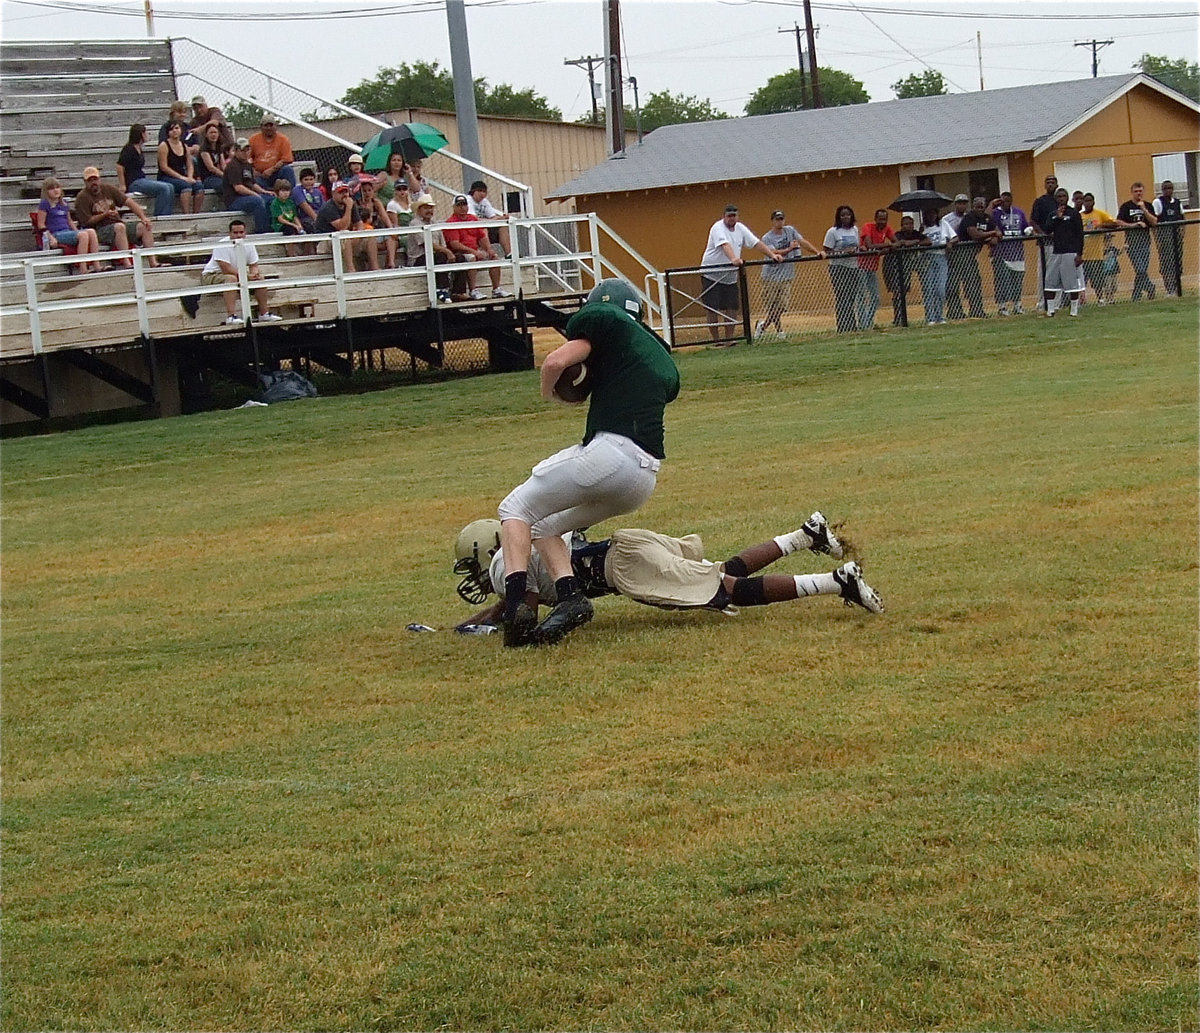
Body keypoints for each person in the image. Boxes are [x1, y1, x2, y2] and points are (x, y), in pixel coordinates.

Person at [497, 278, 680, 648]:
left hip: (611, 453)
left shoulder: (605, 323)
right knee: (545, 524)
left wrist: (550, 394)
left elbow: (555, 360)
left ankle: (516, 605)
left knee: (515, 508)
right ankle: (570, 597)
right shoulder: (655, 352)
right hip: (643, 477)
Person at [450, 511, 882, 638]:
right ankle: (806, 534)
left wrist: (488, 628)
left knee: (724, 591)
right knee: (719, 574)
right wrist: (468, 625)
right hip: (627, 549)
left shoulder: (504, 560)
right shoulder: (524, 543)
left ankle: (836, 582)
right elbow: (508, 603)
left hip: (624, 566)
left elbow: (520, 608)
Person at [700, 204, 781, 345]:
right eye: (729, 216)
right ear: (724, 217)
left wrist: (772, 255)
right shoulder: (717, 228)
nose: (732, 219)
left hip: (730, 277)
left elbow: (756, 243)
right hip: (711, 274)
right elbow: (725, 245)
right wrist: (733, 259)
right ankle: (716, 341)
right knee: (712, 308)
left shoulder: (740, 228)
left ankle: (729, 339)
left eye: (734, 216)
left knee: (731, 307)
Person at [201, 218, 281, 325]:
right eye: (235, 233)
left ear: (245, 233)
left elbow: (254, 265)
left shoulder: (249, 244)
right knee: (231, 279)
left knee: (260, 279)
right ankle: (231, 316)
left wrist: (254, 274)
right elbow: (226, 269)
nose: (239, 235)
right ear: (230, 233)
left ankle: (264, 313)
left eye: (241, 232)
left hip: (237, 275)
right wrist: (246, 276)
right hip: (212, 275)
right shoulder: (221, 245)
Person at [755, 209, 821, 338]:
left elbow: (803, 242)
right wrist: (790, 249)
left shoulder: (790, 230)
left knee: (781, 306)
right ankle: (779, 331)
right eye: (777, 219)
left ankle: (763, 326)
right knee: (773, 306)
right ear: (772, 221)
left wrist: (816, 252)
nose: (779, 222)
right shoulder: (767, 237)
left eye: (781, 219)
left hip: (786, 276)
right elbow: (773, 252)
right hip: (771, 277)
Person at [74, 167, 157, 267]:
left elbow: (129, 202)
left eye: (95, 179)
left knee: (144, 226)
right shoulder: (82, 197)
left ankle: (153, 262)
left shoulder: (108, 189)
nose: (93, 183)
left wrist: (143, 217)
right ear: (85, 182)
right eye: (90, 180)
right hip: (99, 230)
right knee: (119, 227)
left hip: (117, 225)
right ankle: (127, 263)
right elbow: (87, 222)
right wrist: (105, 215)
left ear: (99, 179)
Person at [445, 194, 513, 299]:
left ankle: (496, 289)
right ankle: (473, 290)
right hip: (462, 253)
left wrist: (488, 249)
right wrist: (474, 252)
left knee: (494, 257)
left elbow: (482, 236)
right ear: (454, 207)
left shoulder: (472, 218)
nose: (462, 207)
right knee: (472, 258)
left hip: (475, 250)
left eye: (464, 204)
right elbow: (455, 244)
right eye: (459, 205)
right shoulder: (451, 222)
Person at [36, 176, 101, 273]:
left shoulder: (64, 203)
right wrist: (51, 238)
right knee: (83, 235)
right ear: (46, 191)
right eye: (51, 188)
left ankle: (97, 265)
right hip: (56, 233)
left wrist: (76, 231)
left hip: (67, 231)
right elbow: (41, 224)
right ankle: (83, 268)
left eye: (57, 187)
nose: (55, 190)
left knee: (91, 232)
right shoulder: (44, 204)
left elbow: (69, 221)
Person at [953, 197, 1000, 318]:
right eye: (977, 207)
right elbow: (975, 234)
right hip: (960, 253)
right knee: (964, 282)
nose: (979, 209)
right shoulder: (969, 217)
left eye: (981, 207)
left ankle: (976, 310)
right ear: (973, 207)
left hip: (972, 254)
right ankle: (959, 311)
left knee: (975, 281)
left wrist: (995, 237)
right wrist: (992, 234)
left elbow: (998, 232)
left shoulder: (986, 218)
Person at [115, 123, 174, 217]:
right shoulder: (129, 149)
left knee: (170, 187)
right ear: (141, 134)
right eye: (146, 133)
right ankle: (160, 216)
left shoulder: (139, 149)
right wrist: (122, 185)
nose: (147, 135)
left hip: (141, 178)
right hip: (134, 181)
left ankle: (167, 215)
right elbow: (119, 166)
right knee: (164, 188)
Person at [1042, 187, 1084, 318]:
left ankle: (1074, 310)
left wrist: (1079, 254)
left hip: (1070, 252)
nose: (1061, 199)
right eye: (1059, 196)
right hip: (1056, 252)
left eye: (1063, 196)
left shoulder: (1073, 214)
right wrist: (1057, 218)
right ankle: (1050, 310)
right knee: (1050, 282)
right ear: (1056, 199)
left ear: (1067, 198)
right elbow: (1047, 229)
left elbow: (1079, 234)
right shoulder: (1053, 214)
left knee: (1071, 284)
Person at [407, 193, 457, 302]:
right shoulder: (415, 223)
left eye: (430, 208)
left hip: (435, 255)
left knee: (460, 258)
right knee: (439, 256)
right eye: (426, 208)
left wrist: (447, 252)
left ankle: (458, 292)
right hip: (418, 258)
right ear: (419, 210)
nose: (429, 210)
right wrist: (446, 251)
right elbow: (427, 244)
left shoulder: (435, 223)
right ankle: (441, 289)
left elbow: (442, 243)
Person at [1115, 182, 1159, 301]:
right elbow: (1118, 222)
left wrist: (1143, 209)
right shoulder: (1126, 206)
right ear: (1132, 192)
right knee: (1140, 269)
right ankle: (1149, 287)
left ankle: (1136, 295)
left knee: (1142, 269)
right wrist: (1133, 225)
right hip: (1131, 242)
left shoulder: (1148, 206)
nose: (1138, 193)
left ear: (1143, 191)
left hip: (1145, 242)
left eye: (1140, 191)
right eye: (1136, 191)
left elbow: (1154, 221)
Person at [987, 191, 1030, 316]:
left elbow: (1025, 227)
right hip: (1001, 254)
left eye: (1008, 201)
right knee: (1002, 281)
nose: (1005, 203)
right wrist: (991, 205)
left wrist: (1029, 231)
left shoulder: (1019, 212)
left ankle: (1017, 305)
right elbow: (986, 218)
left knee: (1017, 281)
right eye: (1003, 201)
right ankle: (1002, 306)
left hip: (1017, 253)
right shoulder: (995, 213)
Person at [823, 205, 862, 332]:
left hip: (853, 267)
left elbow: (858, 245)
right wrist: (843, 252)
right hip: (838, 267)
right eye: (843, 215)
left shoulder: (855, 230)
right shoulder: (833, 232)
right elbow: (827, 251)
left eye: (848, 215)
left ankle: (852, 324)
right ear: (838, 217)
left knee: (851, 296)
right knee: (842, 296)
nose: (846, 217)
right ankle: (843, 325)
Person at [882, 213, 926, 326]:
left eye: (911, 224)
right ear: (902, 225)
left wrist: (918, 239)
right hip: (894, 266)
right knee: (897, 292)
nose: (909, 226)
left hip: (908, 265)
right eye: (906, 224)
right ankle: (898, 317)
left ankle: (903, 317)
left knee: (904, 290)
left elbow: (928, 241)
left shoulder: (916, 233)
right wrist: (915, 242)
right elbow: (902, 243)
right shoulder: (898, 234)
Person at [941, 194, 979, 320]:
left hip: (968, 253)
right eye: (959, 203)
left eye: (964, 203)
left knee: (972, 282)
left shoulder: (970, 217)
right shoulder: (947, 219)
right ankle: (955, 311)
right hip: (953, 254)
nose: (962, 205)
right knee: (952, 284)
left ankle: (976, 309)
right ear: (955, 204)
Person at [221, 137, 271, 234]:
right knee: (257, 200)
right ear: (236, 151)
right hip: (234, 200)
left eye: (248, 150)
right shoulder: (233, 166)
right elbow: (238, 188)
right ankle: (262, 230)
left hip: (246, 197)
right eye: (243, 150)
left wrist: (264, 191)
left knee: (270, 199)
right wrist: (255, 194)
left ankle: (273, 226)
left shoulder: (247, 165)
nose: (246, 152)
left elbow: (252, 183)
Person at [858, 209, 895, 329]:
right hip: (861, 266)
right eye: (880, 219)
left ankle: (868, 323)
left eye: (885, 219)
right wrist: (888, 246)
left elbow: (897, 242)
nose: (882, 222)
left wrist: (888, 247)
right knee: (862, 296)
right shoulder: (867, 227)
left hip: (873, 267)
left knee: (875, 297)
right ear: (875, 219)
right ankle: (863, 325)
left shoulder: (887, 229)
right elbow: (869, 246)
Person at [156, 119, 204, 215]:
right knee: (186, 186)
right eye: (171, 129)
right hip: (167, 177)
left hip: (183, 176)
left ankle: (196, 214)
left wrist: (190, 176)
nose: (174, 131)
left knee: (199, 186)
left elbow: (189, 163)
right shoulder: (164, 146)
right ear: (168, 132)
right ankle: (186, 214)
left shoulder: (184, 146)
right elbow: (164, 167)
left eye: (177, 128)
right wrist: (182, 178)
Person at [1078, 193, 1117, 304]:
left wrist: (1101, 226)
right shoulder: (1080, 216)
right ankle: (1082, 300)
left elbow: (1114, 224)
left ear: (1094, 202)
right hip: (1083, 254)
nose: (1088, 203)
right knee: (1082, 280)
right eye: (1086, 201)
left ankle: (1100, 298)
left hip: (1097, 254)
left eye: (1090, 201)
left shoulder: (1100, 214)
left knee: (1098, 280)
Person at [353, 177, 397, 270]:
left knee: (391, 238)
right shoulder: (356, 204)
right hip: (364, 234)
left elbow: (385, 217)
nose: (367, 193)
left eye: (369, 190)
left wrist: (391, 230)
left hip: (376, 232)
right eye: (364, 191)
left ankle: (391, 264)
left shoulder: (376, 203)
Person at [313, 180, 358, 271]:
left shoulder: (350, 203)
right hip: (325, 241)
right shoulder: (328, 207)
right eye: (341, 192)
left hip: (343, 239)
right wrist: (348, 208)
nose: (344, 195)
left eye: (346, 192)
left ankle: (374, 267)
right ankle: (351, 269)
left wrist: (358, 235)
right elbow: (341, 226)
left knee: (368, 235)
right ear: (333, 193)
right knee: (344, 234)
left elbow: (359, 223)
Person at [1152, 180, 1185, 297]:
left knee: (1178, 263)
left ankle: (1177, 288)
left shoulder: (1177, 202)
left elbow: (1182, 220)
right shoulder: (1158, 202)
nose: (1168, 190)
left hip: (1176, 236)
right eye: (1165, 188)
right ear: (1162, 189)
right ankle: (1169, 289)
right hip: (1165, 236)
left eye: (1170, 188)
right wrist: (1158, 240)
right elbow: (1154, 222)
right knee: (1167, 264)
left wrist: (1181, 235)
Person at [919, 206, 950, 325]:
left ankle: (940, 315)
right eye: (929, 214)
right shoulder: (923, 229)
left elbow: (954, 237)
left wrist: (950, 243)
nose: (931, 216)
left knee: (940, 289)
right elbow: (920, 243)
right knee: (928, 289)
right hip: (927, 259)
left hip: (941, 257)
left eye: (934, 213)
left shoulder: (943, 224)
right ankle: (930, 317)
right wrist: (921, 233)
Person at [467, 180, 512, 259]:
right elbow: (473, 219)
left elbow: (492, 217)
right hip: (471, 231)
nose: (482, 194)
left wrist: (500, 218)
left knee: (502, 226)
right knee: (483, 228)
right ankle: (489, 252)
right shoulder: (468, 200)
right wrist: (492, 220)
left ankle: (509, 254)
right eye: (480, 191)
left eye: (484, 191)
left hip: (485, 227)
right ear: (473, 191)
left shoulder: (485, 202)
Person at [248, 117, 295, 191]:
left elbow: (287, 159)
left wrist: (272, 170)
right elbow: (247, 158)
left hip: (277, 173)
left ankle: (290, 197)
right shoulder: (253, 139)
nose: (269, 128)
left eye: (271, 125)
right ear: (261, 127)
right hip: (260, 176)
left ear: (276, 126)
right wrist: (253, 170)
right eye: (266, 126)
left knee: (288, 170)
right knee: (250, 178)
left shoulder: (283, 139)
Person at [269, 179, 304, 255]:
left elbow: (294, 216)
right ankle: (291, 253)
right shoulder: (275, 203)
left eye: (287, 191)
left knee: (306, 227)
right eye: (283, 191)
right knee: (290, 230)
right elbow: (280, 219)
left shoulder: (290, 202)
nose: (285, 193)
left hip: (291, 223)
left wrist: (299, 225)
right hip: (280, 225)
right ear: (278, 192)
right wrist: (294, 225)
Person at [196, 122, 229, 198]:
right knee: (224, 185)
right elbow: (211, 168)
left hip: (217, 176)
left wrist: (230, 174)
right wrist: (225, 176)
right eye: (211, 133)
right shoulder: (204, 149)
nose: (213, 135)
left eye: (215, 132)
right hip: (208, 178)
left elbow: (223, 165)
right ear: (206, 135)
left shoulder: (219, 148)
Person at [291, 167, 324, 235]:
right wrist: (318, 220)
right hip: (305, 219)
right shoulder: (297, 190)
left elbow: (323, 207)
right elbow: (304, 205)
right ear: (301, 181)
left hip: (320, 217)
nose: (309, 182)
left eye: (311, 179)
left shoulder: (318, 192)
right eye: (306, 180)